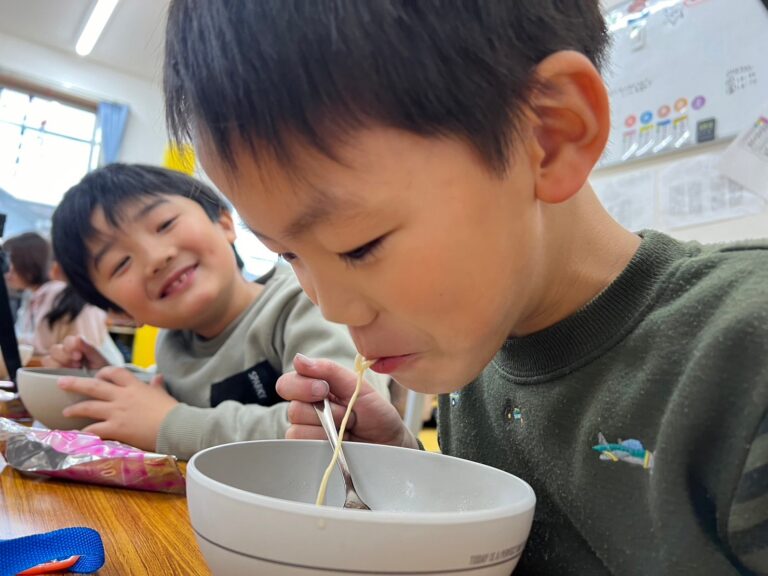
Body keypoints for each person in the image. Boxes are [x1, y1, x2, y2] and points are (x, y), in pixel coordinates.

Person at [162, 1, 768, 574]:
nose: (334, 306)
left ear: (549, 135)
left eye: (359, 244)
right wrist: (405, 469)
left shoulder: (744, 354)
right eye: (287, 254)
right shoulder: (480, 347)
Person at [47, 164, 389, 460]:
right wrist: (107, 380)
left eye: (164, 224)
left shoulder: (303, 303)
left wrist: (171, 425)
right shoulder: (172, 346)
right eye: (120, 263)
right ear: (120, 313)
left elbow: (343, 427)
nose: (156, 258)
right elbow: (170, 398)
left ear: (225, 222)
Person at [2, 232, 121, 362]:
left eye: (12, 263)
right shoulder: (33, 296)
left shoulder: (57, 294)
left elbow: (41, 346)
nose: (8, 271)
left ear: (29, 262)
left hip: (93, 369)